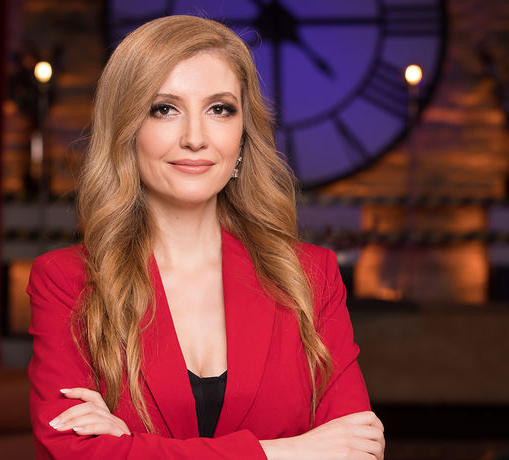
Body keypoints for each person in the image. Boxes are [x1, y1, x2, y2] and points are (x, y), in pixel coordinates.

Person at [27, 15, 385, 459]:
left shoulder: (311, 276)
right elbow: (74, 454)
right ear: (126, 130)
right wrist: (285, 452)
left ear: (243, 134)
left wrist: (134, 448)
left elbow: (356, 450)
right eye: (164, 108)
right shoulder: (66, 281)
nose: (195, 138)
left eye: (219, 109)